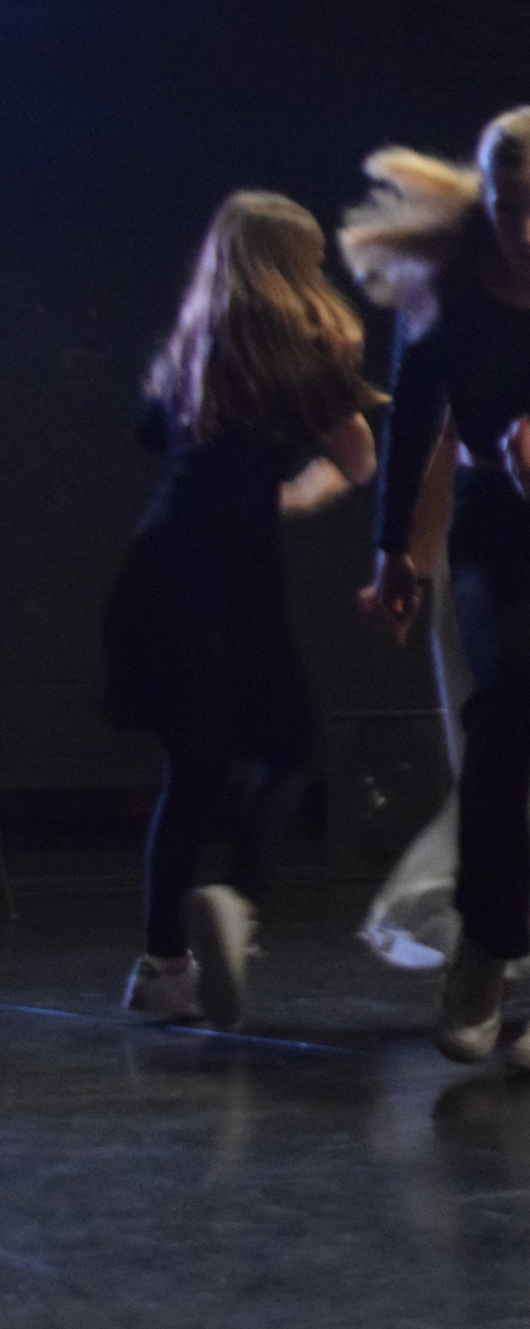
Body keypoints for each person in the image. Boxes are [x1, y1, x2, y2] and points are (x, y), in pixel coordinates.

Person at [343, 107, 530, 1077]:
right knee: (504, 718)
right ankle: (488, 945)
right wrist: (393, 555)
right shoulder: (454, 299)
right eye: (512, 211)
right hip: (497, 533)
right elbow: (413, 421)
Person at [105, 192, 380, 1028]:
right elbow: (359, 459)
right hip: (235, 578)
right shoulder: (307, 358)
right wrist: (293, 496)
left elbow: (153, 436)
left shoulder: (191, 350)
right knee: (293, 747)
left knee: (189, 770)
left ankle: (162, 966)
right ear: (295, 269)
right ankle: (239, 901)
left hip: (160, 568)